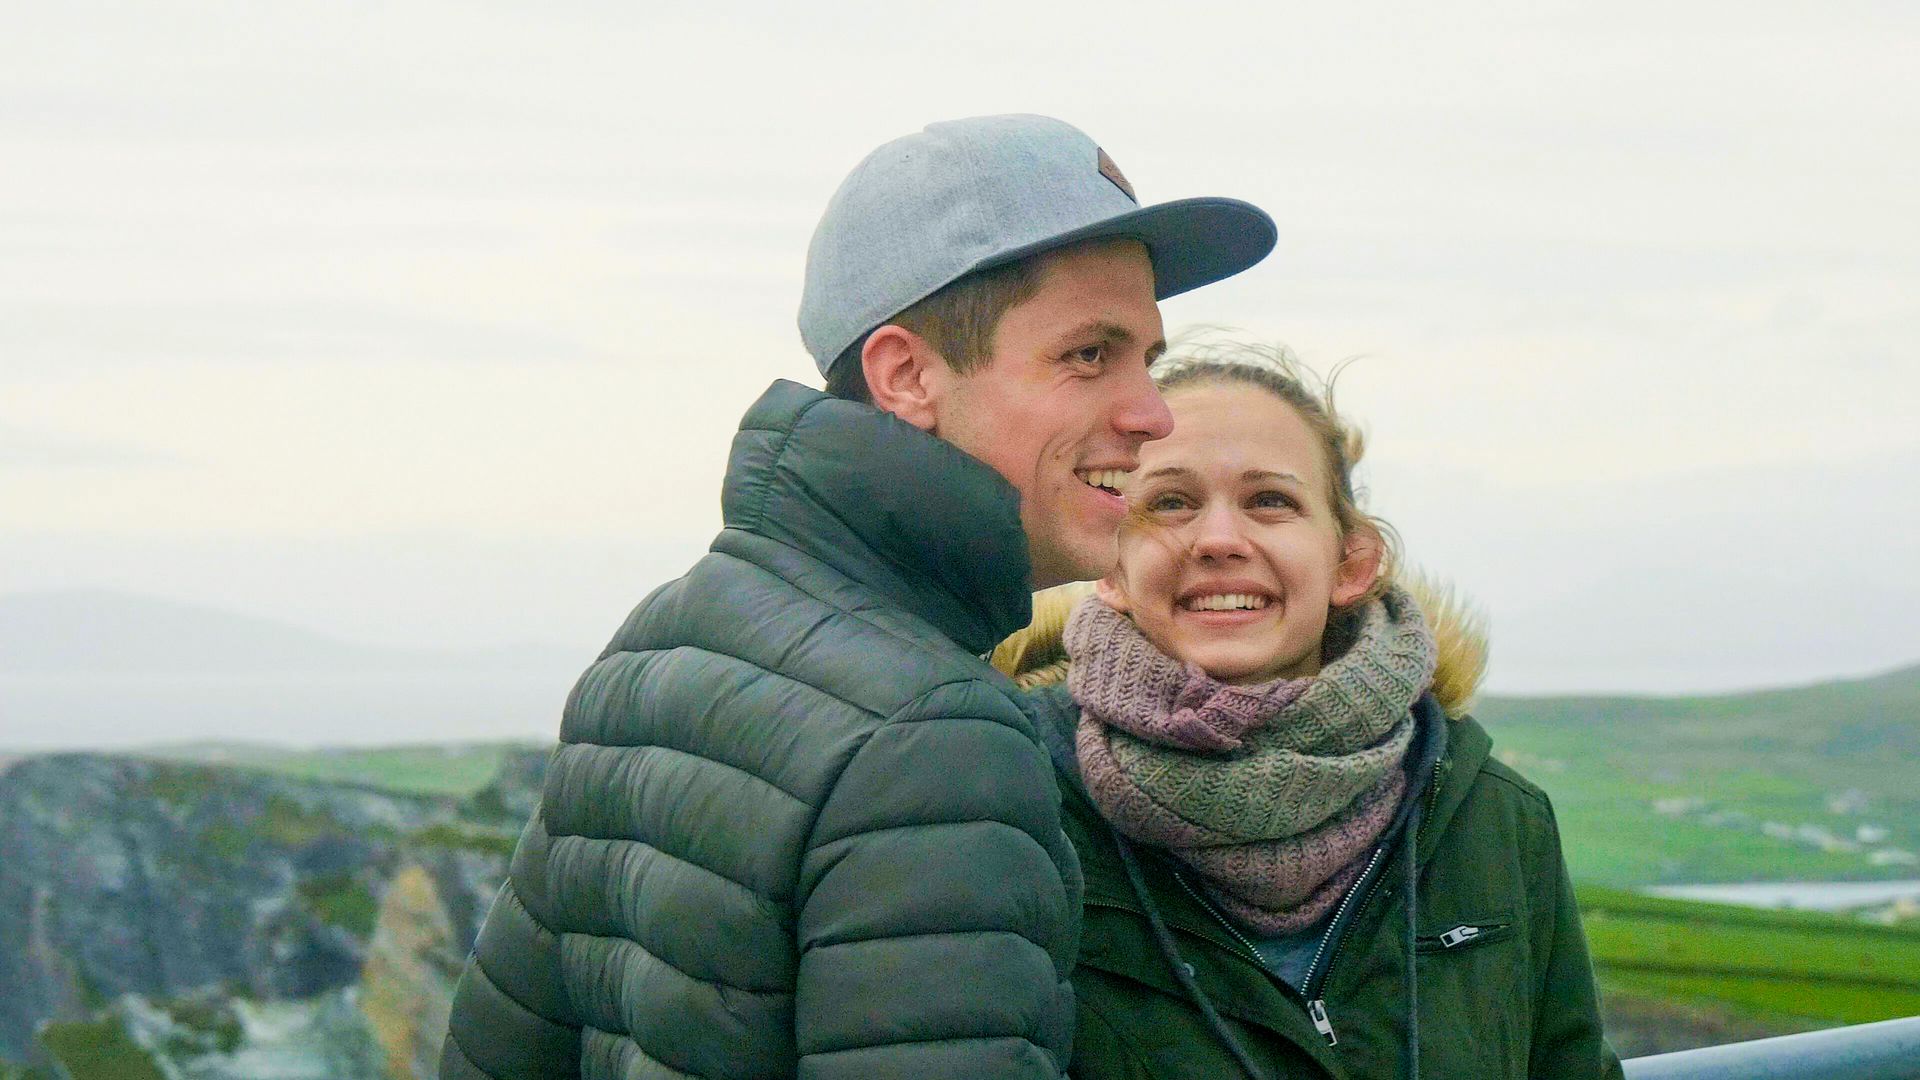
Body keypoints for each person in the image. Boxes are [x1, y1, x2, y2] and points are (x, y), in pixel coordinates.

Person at [437, 116, 1277, 1079]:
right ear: (906, 375)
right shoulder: (938, 735)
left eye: (1149, 360)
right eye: (1089, 355)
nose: (1153, 413)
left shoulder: (661, 645)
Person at [993, 344, 1623, 1078]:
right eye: (1169, 502)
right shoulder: (1016, 805)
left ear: (1352, 563)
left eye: (1271, 501)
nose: (1220, 540)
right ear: (1112, 566)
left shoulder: (1495, 817)